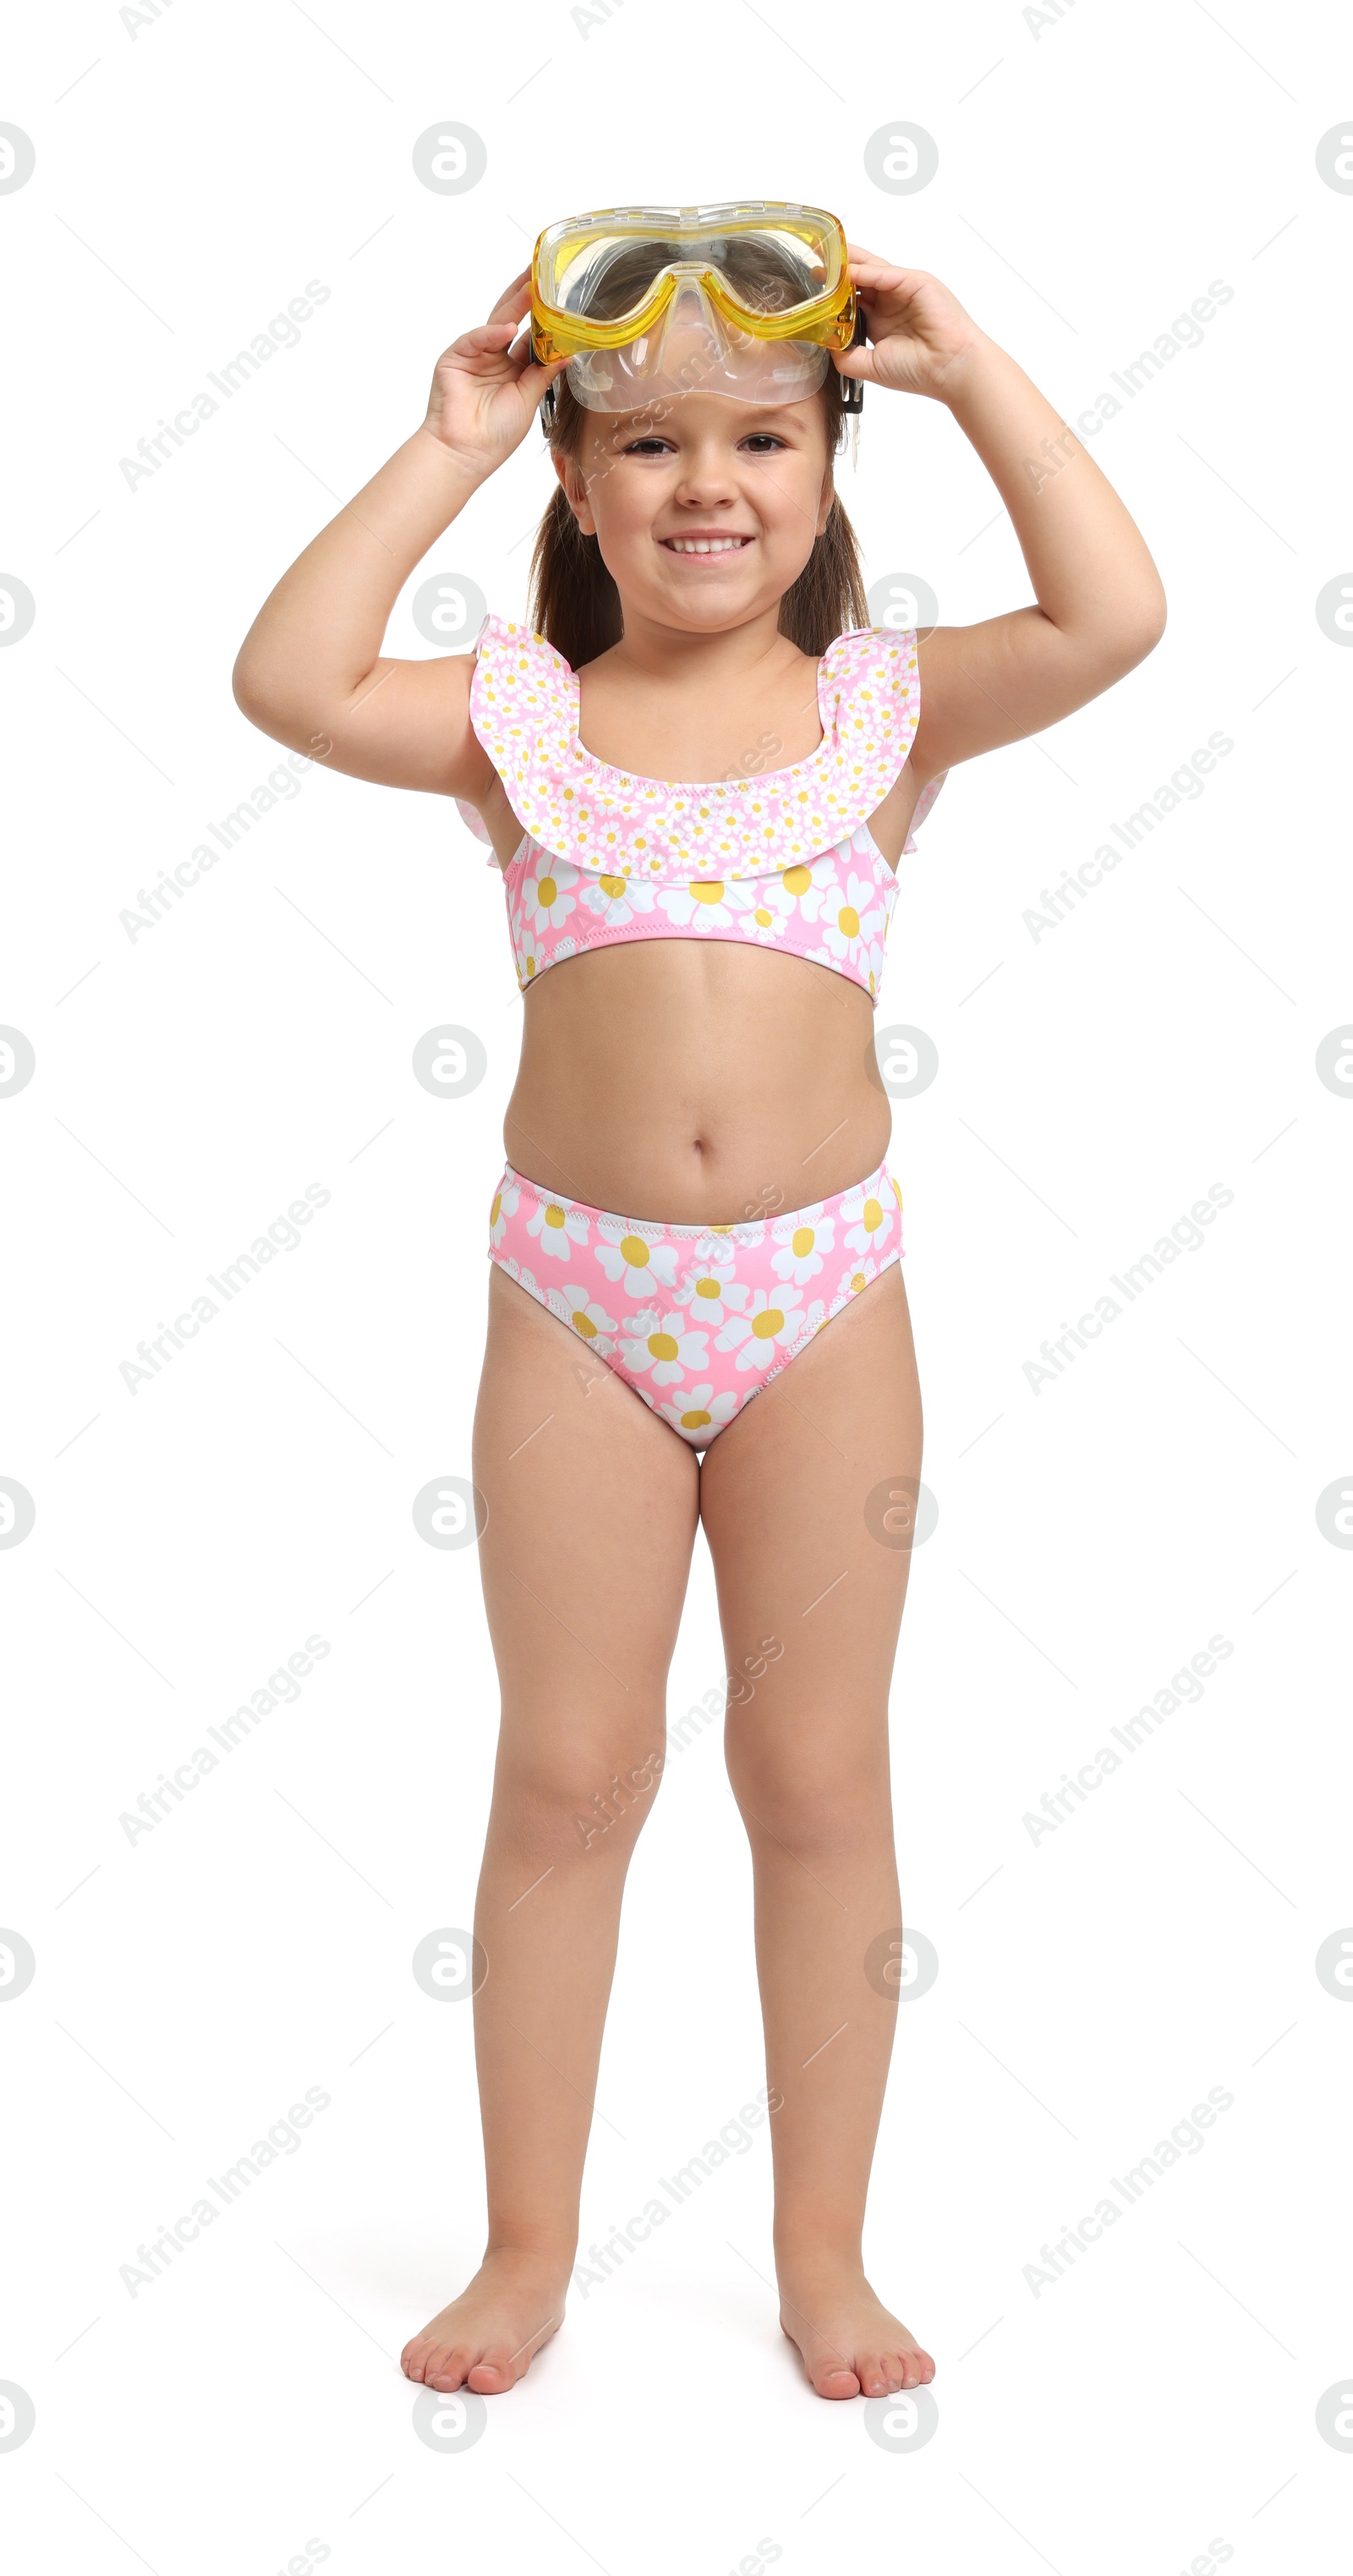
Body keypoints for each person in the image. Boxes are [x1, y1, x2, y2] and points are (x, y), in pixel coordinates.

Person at [233, 211, 1166, 2403]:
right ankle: (530, 2247)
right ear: (576, 480)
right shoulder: (516, 719)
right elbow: (284, 680)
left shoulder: (887, 704)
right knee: (567, 1772)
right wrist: (440, 440)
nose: (708, 483)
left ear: (835, 460)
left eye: (762, 432)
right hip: (578, 1302)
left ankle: (821, 2257)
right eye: (644, 445)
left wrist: (975, 364)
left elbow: (1119, 612)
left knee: (818, 1772)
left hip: (821, 1303)